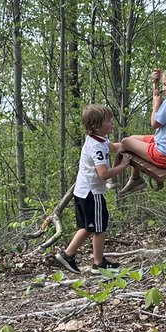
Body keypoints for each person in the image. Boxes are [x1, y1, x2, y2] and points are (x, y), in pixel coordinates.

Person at [55, 104, 127, 273]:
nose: (111, 123)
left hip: (82, 191)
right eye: (107, 121)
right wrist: (123, 165)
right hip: (91, 193)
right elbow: (103, 174)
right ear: (96, 126)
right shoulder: (97, 147)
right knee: (98, 227)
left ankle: (69, 255)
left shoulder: (98, 139)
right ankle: (97, 263)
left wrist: (129, 145)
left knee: (89, 227)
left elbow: (115, 147)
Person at [115, 66, 166, 195]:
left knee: (125, 142)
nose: (164, 88)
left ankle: (112, 177)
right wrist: (155, 83)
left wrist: (155, 105)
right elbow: (158, 98)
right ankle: (135, 178)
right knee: (134, 138)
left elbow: (154, 124)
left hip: (163, 154)